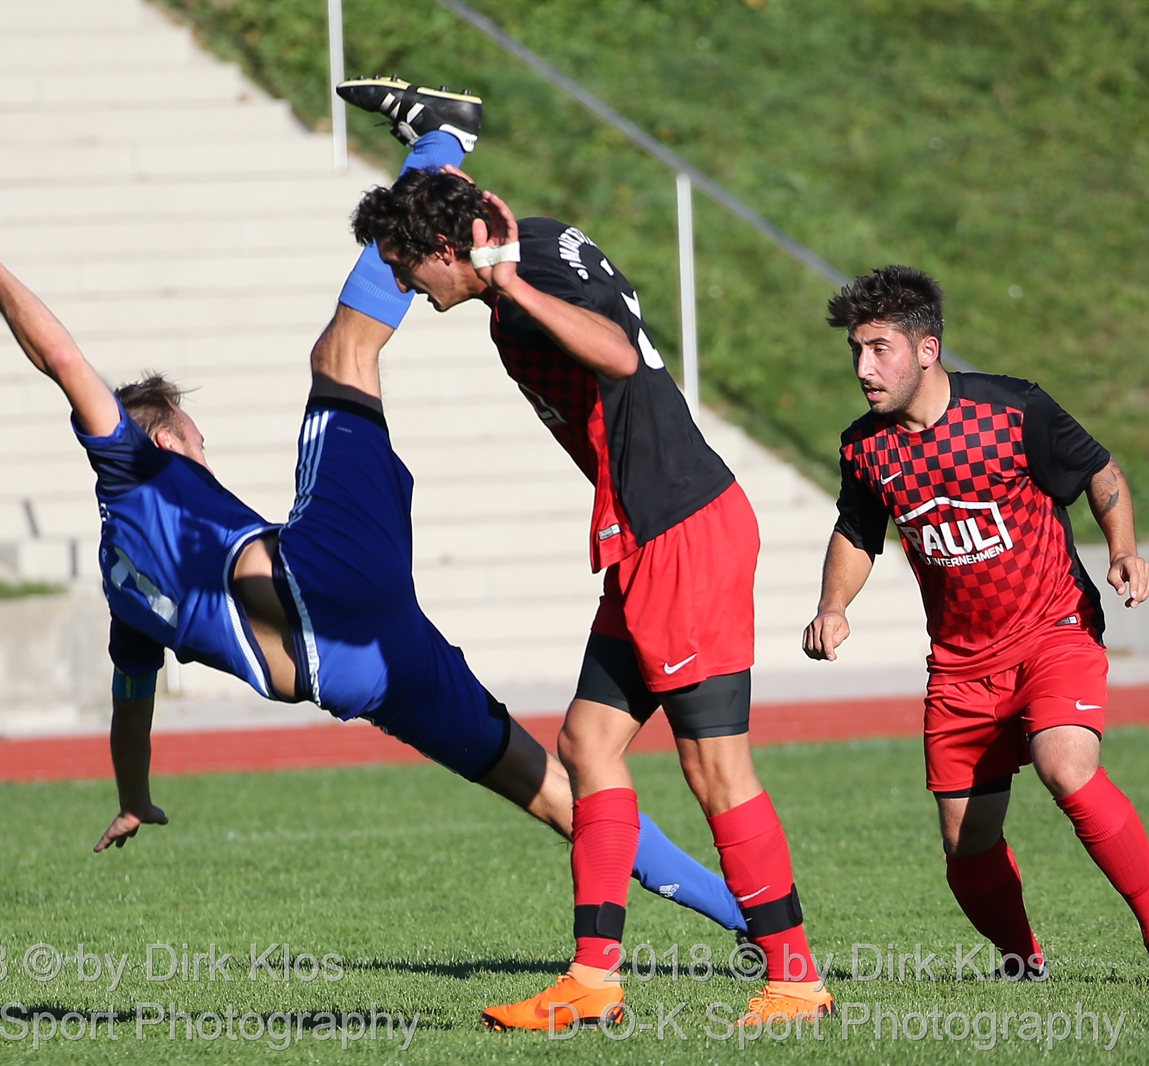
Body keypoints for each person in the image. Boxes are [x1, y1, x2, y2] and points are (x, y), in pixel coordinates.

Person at [0, 88, 746, 945]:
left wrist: (133, 794)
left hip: (358, 675)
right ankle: (440, 145)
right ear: (166, 435)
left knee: (555, 792)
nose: (203, 443)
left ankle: (751, 920)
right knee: (342, 352)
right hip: (330, 578)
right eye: (193, 431)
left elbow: (131, 706)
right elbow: (62, 359)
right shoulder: (127, 464)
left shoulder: (120, 589)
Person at [346, 154, 833, 1030]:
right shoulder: (528, 246)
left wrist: (512, 287)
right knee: (586, 743)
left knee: (714, 768)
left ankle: (795, 981)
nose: (405, 287)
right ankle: (593, 981)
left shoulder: (521, 277)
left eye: (405, 267)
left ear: (448, 250)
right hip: (649, 536)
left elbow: (618, 356)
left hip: (684, 532)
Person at [803, 265, 1149, 985]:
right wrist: (833, 607)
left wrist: (1123, 551)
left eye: (879, 348)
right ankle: (1023, 963)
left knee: (1065, 768)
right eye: (856, 350)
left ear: (927, 350)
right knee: (966, 842)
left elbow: (1100, 472)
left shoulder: (1012, 410)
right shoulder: (865, 446)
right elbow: (858, 531)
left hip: (1053, 628)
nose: (863, 367)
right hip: (960, 664)